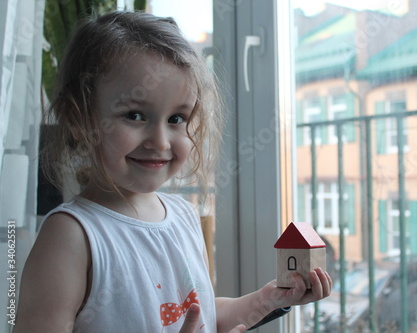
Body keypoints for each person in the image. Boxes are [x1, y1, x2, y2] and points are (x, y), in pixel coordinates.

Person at [14, 11, 331, 333]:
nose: (160, 141)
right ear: (77, 118)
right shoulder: (71, 236)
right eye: (135, 115)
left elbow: (199, 313)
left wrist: (268, 300)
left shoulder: (182, 216)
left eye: (177, 119)